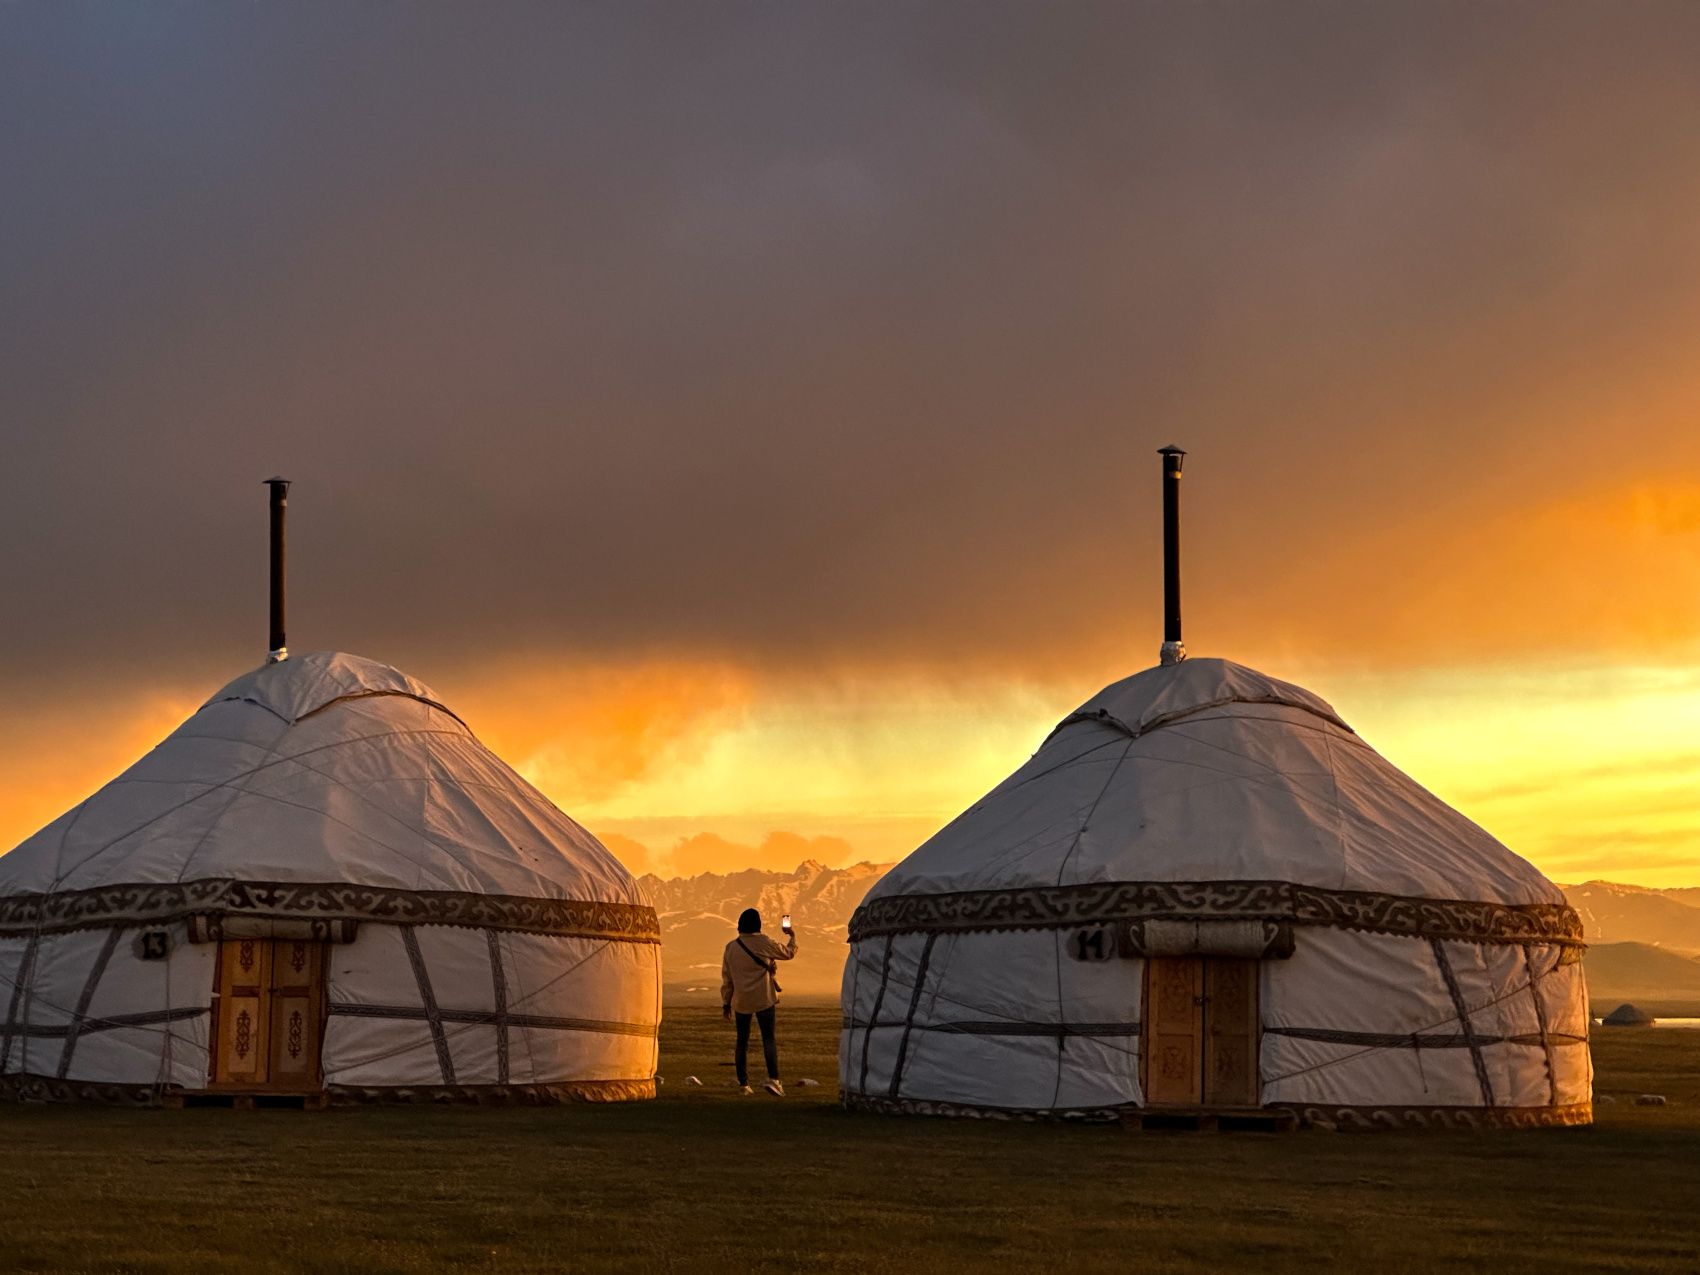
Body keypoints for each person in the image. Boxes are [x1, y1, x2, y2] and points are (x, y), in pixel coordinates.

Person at [720, 907, 797, 1096]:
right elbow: (788, 953)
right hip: (764, 999)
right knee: (768, 1039)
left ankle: (743, 1085)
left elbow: (727, 979)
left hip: (741, 1001)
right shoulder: (764, 942)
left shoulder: (731, 947)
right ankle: (774, 1079)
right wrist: (792, 936)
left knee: (741, 1041)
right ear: (758, 924)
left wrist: (726, 1003)